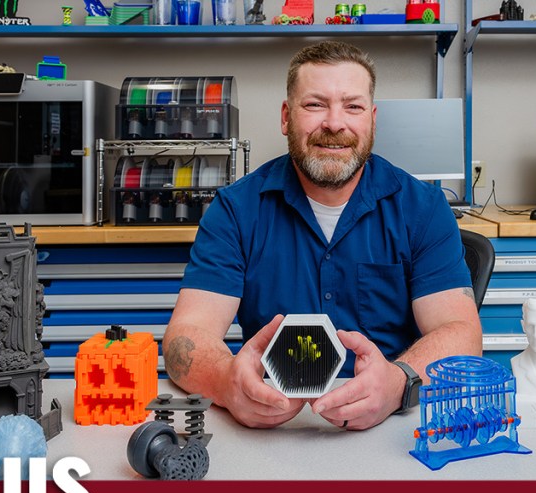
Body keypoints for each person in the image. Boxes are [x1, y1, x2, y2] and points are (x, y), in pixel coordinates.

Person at [163, 40, 481, 431]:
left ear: (373, 119)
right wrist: (227, 383)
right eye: (315, 105)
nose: (334, 123)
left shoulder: (424, 208)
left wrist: (399, 382)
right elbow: (185, 338)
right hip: (270, 427)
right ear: (286, 117)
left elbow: (462, 335)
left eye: (353, 106)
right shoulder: (235, 209)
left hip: (393, 425)